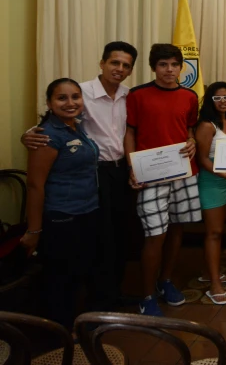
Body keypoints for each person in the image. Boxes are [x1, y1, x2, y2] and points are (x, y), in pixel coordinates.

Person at [22, 41, 140, 307]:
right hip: (92, 174)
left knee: (121, 235)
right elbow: (53, 122)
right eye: (114, 63)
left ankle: (112, 294)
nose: (119, 69)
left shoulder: (128, 95)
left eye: (125, 65)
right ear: (102, 63)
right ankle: (96, 299)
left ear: (131, 70)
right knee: (100, 240)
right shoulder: (81, 92)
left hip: (122, 171)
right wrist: (27, 135)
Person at [125, 43, 200, 316]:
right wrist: (132, 164)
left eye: (174, 64)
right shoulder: (137, 95)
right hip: (150, 175)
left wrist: (192, 139)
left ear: (182, 67)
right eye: (163, 65)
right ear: (153, 67)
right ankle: (146, 295)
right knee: (155, 234)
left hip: (183, 170)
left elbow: (189, 127)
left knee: (177, 229)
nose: (169, 70)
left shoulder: (189, 96)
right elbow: (130, 132)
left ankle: (164, 281)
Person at [21, 79, 102, 329]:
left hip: (86, 211)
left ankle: (75, 328)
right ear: (49, 103)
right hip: (62, 216)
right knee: (61, 280)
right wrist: (34, 230)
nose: (70, 103)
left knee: (80, 272)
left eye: (75, 97)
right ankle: (60, 335)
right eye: (62, 98)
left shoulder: (76, 127)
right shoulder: (46, 135)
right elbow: (35, 185)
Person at [195, 82, 226, 305]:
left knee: (218, 230)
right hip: (212, 181)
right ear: (209, 101)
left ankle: (208, 272)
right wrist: (221, 173)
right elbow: (202, 158)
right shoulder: (207, 125)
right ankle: (215, 284)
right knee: (213, 232)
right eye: (217, 98)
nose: (223, 101)